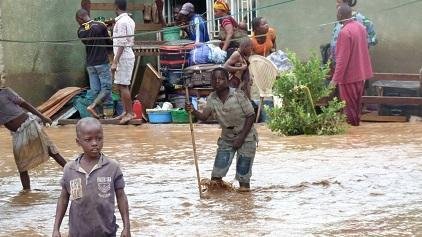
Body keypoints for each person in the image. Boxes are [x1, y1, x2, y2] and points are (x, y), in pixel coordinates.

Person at [52, 117, 130, 237]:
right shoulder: (70, 169)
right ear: (78, 142)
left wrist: (126, 227)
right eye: (88, 140)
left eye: (99, 139)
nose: (95, 143)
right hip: (77, 233)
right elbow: (63, 199)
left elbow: (121, 197)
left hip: (106, 232)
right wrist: (56, 229)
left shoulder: (112, 167)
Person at [185, 68, 258, 192]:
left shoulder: (238, 95)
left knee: (243, 177)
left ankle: (244, 206)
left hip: (247, 137)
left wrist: (241, 138)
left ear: (227, 80)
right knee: (215, 177)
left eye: (221, 79)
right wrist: (192, 110)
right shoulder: (212, 99)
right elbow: (204, 117)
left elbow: (251, 115)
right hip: (227, 138)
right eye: (214, 79)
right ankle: (218, 206)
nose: (217, 81)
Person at [0, 75, 66, 190]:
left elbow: (24, 104)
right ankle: (26, 193)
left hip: (29, 125)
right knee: (21, 164)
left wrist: (42, 117)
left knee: (51, 151)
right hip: (17, 133)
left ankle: (75, 174)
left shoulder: (6, 92)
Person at [331, 4, 373, 126]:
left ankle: (352, 139)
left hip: (348, 77)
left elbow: (342, 60)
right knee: (356, 109)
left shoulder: (344, 32)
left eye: (337, 14)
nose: (336, 16)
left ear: (340, 15)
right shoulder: (361, 27)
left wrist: (334, 80)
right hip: (361, 76)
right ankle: (357, 137)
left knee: (349, 111)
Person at [76, 9, 114, 119]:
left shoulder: (80, 31)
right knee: (106, 89)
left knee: (95, 90)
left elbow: (86, 40)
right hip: (102, 63)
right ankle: (95, 108)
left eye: (77, 20)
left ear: (80, 18)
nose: (78, 23)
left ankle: (99, 114)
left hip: (90, 65)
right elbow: (109, 43)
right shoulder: (100, 25)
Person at [111, 0, 136, 124]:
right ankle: (126, 112)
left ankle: (130, 113)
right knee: (121, 85)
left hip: (123, 56)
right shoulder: (129, 20)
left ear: (116, 6)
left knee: (123, 85)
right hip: (126, 55)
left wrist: (115, 62)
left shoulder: (121, 22)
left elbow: (121, 43)